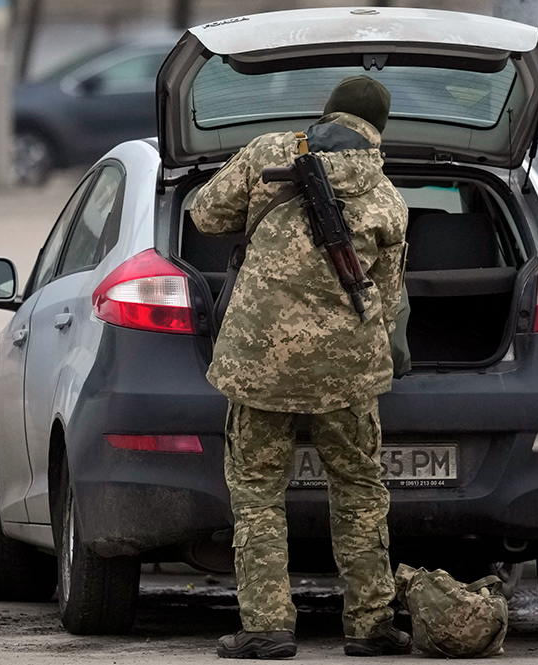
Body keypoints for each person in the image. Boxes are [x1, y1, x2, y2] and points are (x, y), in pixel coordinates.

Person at [190, 75, 411, 659]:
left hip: (259, 362)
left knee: (258, 492)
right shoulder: (389, 199)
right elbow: (388, 300)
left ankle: (267, 627)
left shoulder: (269, 153)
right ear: (379, 130)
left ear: (326, 113)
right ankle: (370, 626)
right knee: (360, 489)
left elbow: (205, 215)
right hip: (347, 372)